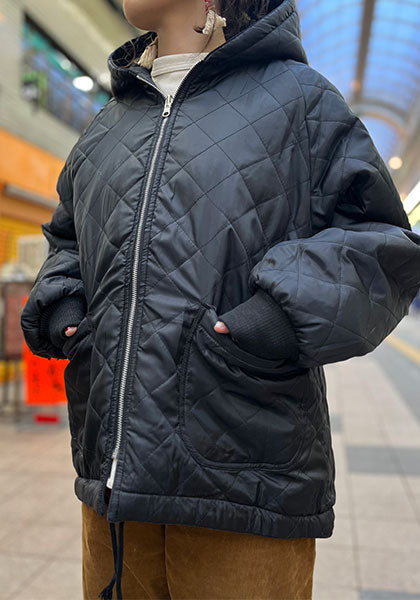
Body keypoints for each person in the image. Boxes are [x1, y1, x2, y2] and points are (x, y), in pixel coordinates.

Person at [20, 0, 420, 598]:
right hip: (112, 488)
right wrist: (65, 304)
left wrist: (276, 316)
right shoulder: (108, 124)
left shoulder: (300, 99)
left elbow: (379, 240)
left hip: (243, 478)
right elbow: (67, 239)